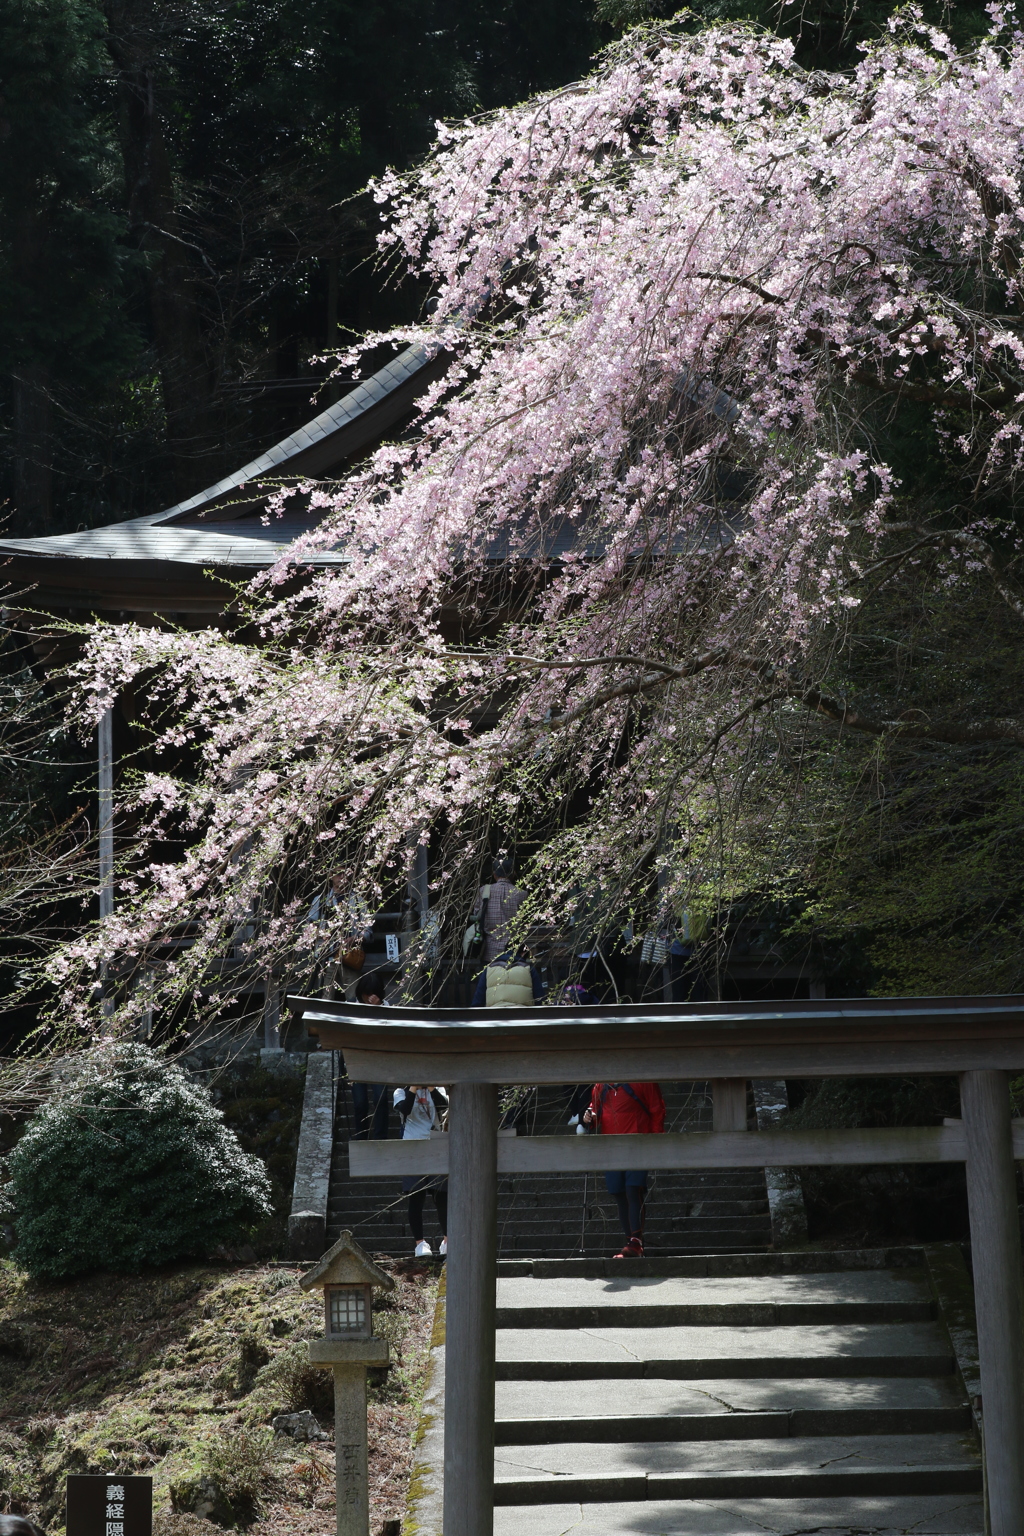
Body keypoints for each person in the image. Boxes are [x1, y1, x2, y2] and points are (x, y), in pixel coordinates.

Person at [584, 1081, 666, 1258]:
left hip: (638, 1143)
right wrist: (589, 1115)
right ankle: (631, 1241)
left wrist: (656, 1142)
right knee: (619, 1193)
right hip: (611, 1146)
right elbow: (596, 1111)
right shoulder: (601, 1085)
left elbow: (656, 1109)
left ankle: (636, 1241)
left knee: (633, 1190)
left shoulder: (643, 1081)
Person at [394, 1085, 449, 1257]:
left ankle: (447, 1240)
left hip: (436, 1145)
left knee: (441, 1196)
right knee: (415, 1197)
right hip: (412, 1147)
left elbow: (444, 1106)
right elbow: (405, 1110)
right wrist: (413, 1089)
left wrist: (431, 1087)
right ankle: (419, 1243)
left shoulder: (438, 1089)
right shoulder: (400, 1092)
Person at [348, 972, 389, 1140]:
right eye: (366, 994)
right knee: (360, 1103)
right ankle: (361, 1137)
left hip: (379, 1060)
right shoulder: (351, 1007)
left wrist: (379, 1009)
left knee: (380, 1099)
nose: (368, 998)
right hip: (357, 1059)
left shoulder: (386, 1006)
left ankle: (381, 1137)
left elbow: (390, 1030)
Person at [476, 857, 526, 963]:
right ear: (513, 874)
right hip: (513, 951)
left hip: (489, 952)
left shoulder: (483, 891)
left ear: (494, 874)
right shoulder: (522, 894)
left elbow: (477, 916)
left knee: (488, 978)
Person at [471, 949, 544, 1006]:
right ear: (523, 954)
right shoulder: (529, 969)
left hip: (494, 1015)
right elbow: (539, 998)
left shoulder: (489, 969)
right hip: (522, 1015)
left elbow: (478, 999)